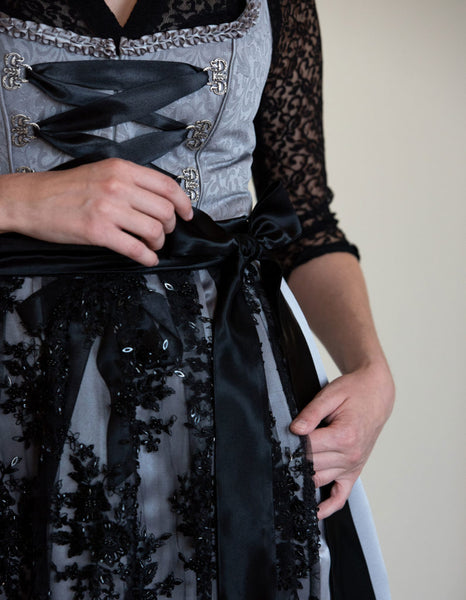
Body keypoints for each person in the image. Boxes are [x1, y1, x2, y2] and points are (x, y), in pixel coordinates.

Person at [0, 0, 394, 598]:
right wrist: (19, 201)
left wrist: (371, 370)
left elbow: (306, 223)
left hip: (228, 373)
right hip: (19, 377)